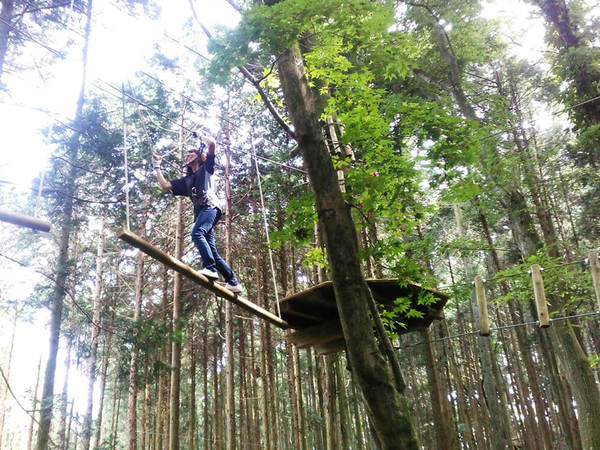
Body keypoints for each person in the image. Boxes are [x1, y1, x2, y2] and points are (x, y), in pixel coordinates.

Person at [153, 135, 242, 293]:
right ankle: (232, 281)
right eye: (186, 154)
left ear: (200, 156)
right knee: (212, 250)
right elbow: (165, 185)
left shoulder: (206, 168)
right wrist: (157, 167)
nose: (187, 155)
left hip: (210, 206)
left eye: (191, 153)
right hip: (203, 213)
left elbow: (212, 144)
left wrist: (200, 135)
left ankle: (210, 268)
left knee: (196, 233)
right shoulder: (187, 180)